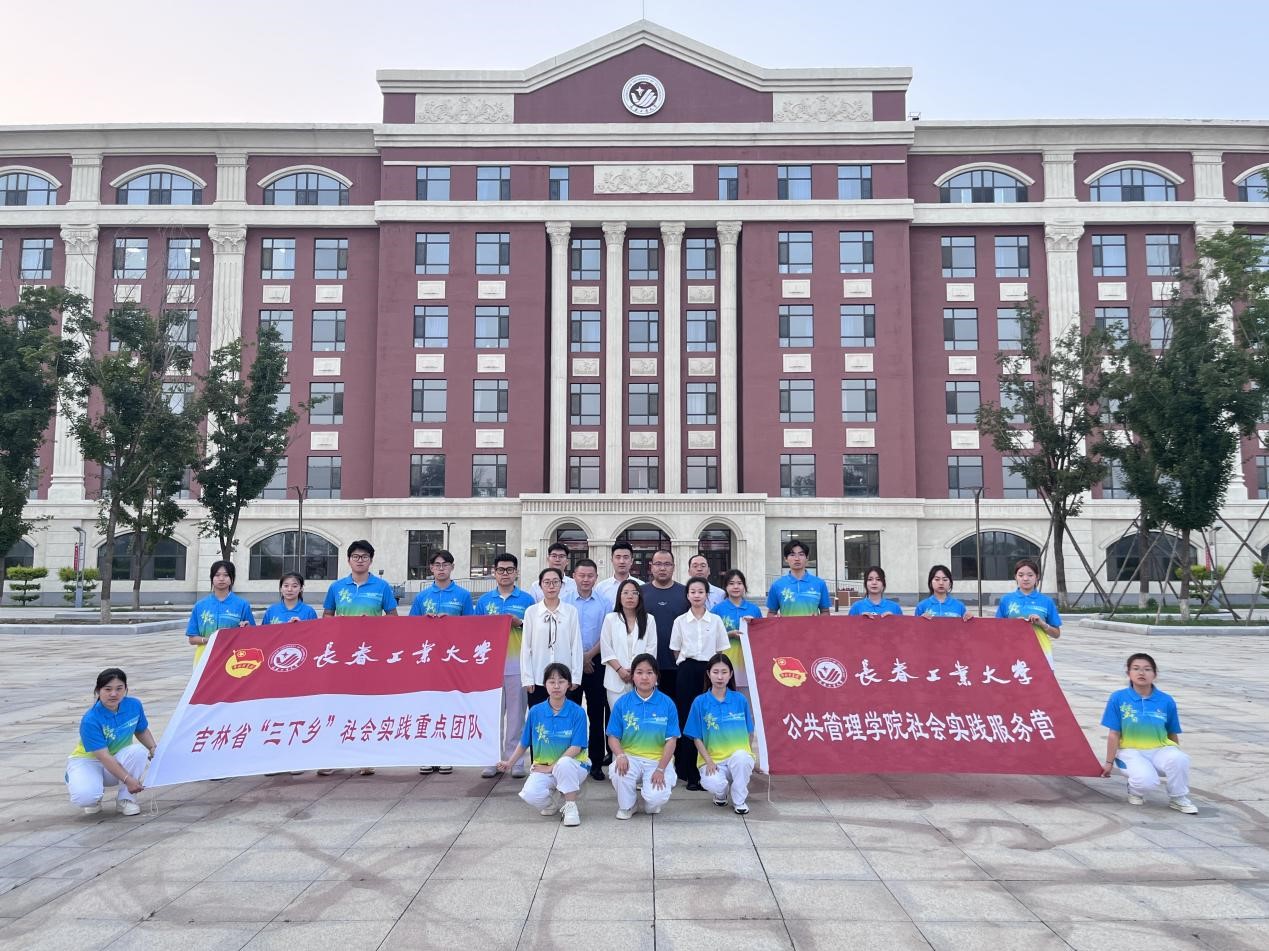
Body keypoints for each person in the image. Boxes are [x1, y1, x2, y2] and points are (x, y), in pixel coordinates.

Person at [322, 540, 397, 775]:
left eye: (364, 556)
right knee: (340, 703)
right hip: (343, 655)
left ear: (371, 560)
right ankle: (334, 757)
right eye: (355, 556)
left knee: (368, 704)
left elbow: (393, 618)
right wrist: (341, 624)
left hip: (371, 656)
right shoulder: (336, 587)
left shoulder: (382, 587)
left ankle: (367, 756)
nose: (360, 560)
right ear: (348, 560)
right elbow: (326, 617)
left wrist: (373, 625)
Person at [1099, 653, 1198, 815]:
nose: (1141, 673)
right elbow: (1114, 733)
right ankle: (1135, 790)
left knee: (1180, 759)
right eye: (1136, 669)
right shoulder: (1118, 698)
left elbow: (1172, 732)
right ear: (1128, 673)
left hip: (1160, 749)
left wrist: (1175, 760)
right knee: (1146, 782)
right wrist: (1109, 763)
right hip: (1130, 751)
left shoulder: (1166, 700)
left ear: (1154, 674)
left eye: (1147, 669)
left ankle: (1178, 798)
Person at [497, 663, 589, 827]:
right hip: (544, 766)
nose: (556, 686)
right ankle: (552, 801)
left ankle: (571, 806)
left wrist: (551, 767)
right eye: (551, 681)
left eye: (561, 681)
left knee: (564, 764)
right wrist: (509, 763)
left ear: (569, 684)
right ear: (544, 684)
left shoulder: (578, 712)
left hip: (574, 765)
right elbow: (524, 742)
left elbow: (576, 747)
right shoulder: (536, 711)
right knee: (530, 794)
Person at [475, 553, 535, 779]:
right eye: (501, 570)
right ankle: (491, 759)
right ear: (494, 573)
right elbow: (474, 632)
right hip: (490, 668)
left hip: (517, 666)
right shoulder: (484, 601)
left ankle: (515, 761)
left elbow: (535, 631)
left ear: (516, 573)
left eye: (510, 570)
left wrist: (519, 623)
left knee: (517, 718)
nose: (505, 574)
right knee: (491, 716)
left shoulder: (527, 600)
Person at [66, 668, 156, 816]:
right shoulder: (90, 719)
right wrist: (128, 780)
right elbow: (103, 756)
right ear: (98, 690)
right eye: (108, 689)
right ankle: (89, 791)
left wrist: (153, 748)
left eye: (119, 688)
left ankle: (126, 799)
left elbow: (141, 730)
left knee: (139, 751)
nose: (114, 694)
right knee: (85, 798)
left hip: (118, 758)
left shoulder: (134, 705)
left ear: (125, 689)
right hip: (90, 761)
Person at [670, 578, 730, 790]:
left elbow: (720, 650)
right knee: (687, 718)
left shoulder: (716, 620)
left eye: (701, 592)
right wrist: (688, 664)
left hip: (709, 672)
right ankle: (688, 772)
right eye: (693, 592)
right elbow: (676, 649)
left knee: (708, 719)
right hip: (687, 671)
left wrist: (714, 673)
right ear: (687, 595)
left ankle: (709, 767)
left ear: (707, 595)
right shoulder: (680, 621)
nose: (697, 595)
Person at [606, 653, 679, 819]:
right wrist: (620, 755)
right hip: (631, 758)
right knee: (617, 770)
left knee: (654, 802)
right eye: (639, 672)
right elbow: (613, 736)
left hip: (657, 760)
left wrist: (661, 769)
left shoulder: (667, 703)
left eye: (649, 672)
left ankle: (651, 799)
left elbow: (671, 740)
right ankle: (628, 805)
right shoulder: (622, 703)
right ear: (632, 676)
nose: (644, 677)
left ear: (657, 676)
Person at [685, 653, 758, 814]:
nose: (720, 677)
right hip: (713, 761)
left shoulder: (740, 699)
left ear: (730, 674)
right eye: (715, 672)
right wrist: (709, 761)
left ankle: (739, 801)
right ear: (708, 674)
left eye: (724, 672)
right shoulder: (700, 702)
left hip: (736, 758)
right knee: (715, 783)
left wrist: (748, 754)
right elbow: (696, 737)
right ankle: (721, 793)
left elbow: (749, 731)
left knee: (742, 758)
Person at [564, 558, 610, 781]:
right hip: (569, 663)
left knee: (596, 713)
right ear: (574, 576)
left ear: (596, 578)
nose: (585, 579)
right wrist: (578, 659)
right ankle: (570, 760)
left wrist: (588, 656)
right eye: (581, 575)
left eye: (590, 576)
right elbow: (563, 633)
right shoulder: (564, 601)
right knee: (571, 713)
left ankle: (596, 762)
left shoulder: (604, 603)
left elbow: (607, 634)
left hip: (596, 663)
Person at [521, 568, 583, 707]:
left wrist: (575, 676)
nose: (551, 586)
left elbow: (576, 646)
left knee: (564, 716)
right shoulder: (531, 612)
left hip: (564, 678)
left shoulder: (571, 611)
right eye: (547, 582)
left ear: (561, 585)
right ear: (540, 585)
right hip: (538, 677)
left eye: (555, 582)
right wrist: (527, 678)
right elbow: (526, 647)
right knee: (539, 716)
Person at [600, 579, 657, 710]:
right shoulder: (611, 619)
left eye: (634, 593)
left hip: (642, 679)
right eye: (625, 593)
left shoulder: (649, 619)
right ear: (619, 597)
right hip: (615, 679)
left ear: (639, 597)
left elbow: (651, 649)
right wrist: (620, 670)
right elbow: (606, 648)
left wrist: (636, 671)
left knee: (640, 717)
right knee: (619, 717)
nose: (630, 596)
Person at [995, 557, 1061, 667]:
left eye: (1030, 575)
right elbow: (996, 629)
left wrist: (1042, 624)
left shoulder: (1046, 601)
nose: (1025, 579)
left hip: (1040, 652)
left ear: (1037, 577)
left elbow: (1056, 634)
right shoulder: (1006, 600)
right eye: (1021, 575)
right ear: (1015, 577)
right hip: (1011, 652)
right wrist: (1013, 624)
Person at [186, 560, 255, 665]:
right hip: (204, 660)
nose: (221, 579)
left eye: (226, 575)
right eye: (217, 575)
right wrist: (209, 640)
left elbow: (252, 635)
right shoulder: (200, 606)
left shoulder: (242, 604)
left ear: (232, 578)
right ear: (212, 578)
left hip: (232, 660)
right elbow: (192, 638)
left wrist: (247, 627)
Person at [642, 550, 688, 701]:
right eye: (658, 564)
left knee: (678, 708)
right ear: (651, 567)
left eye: (667, 564)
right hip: (648, 665)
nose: (662, 568)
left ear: (674, 567)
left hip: (678, 664)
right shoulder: (641, 592)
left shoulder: (685, 593)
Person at [710, 569, 762, 693]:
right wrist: (729, 635)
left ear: (744, 586)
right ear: (725, 587)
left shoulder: (754, 609)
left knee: (747, 695)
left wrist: (753, 627)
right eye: (731, 583)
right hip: (725, 661)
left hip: (748, 662)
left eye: (739, 583)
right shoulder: (717, 610)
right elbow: (710, 636)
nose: (735, 587)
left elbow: (762, 637)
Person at [766, 541, 831, 616]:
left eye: (801, 554)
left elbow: (825, 611)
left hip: (812, 624)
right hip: (787, 624)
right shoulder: (777, 585)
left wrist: (818, 619)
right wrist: (776, 618)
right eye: (792, 555)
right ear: (785, 559)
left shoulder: (819, 584)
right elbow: (771, 612)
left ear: (807, 558)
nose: (797, 558)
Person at [408, 549, 474, 619]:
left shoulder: (464, 595)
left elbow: (471, 623)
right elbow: (412, 623)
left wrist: (450, 620)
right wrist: (425, 620)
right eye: (437, 565)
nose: (441, 568)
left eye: (445, 565)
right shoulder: (420, 597)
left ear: (452, 567)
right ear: (431, 568)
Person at [595, 541, 643, 608]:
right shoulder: (601, 588)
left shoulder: (641, 586)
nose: (622, 561)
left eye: (626, 557)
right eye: (618, 557)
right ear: (612, 560)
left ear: (631, 561)